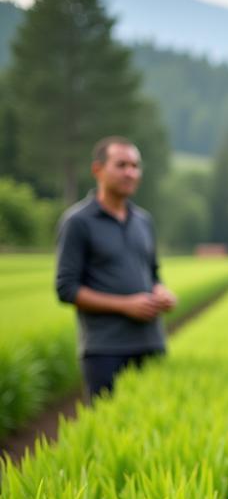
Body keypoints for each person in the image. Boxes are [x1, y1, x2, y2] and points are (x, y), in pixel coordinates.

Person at [55, 136, 177, 399]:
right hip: (105, 350)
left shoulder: (144, 221)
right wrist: (125, 305)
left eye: (135, 166)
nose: (130, 173)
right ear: (97, 170)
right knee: (107, 428)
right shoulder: (78, 222)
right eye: (121, 165)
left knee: (154, 426)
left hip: (151, 343)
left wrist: (161, 291)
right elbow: (66, 289)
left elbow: (153, 272)